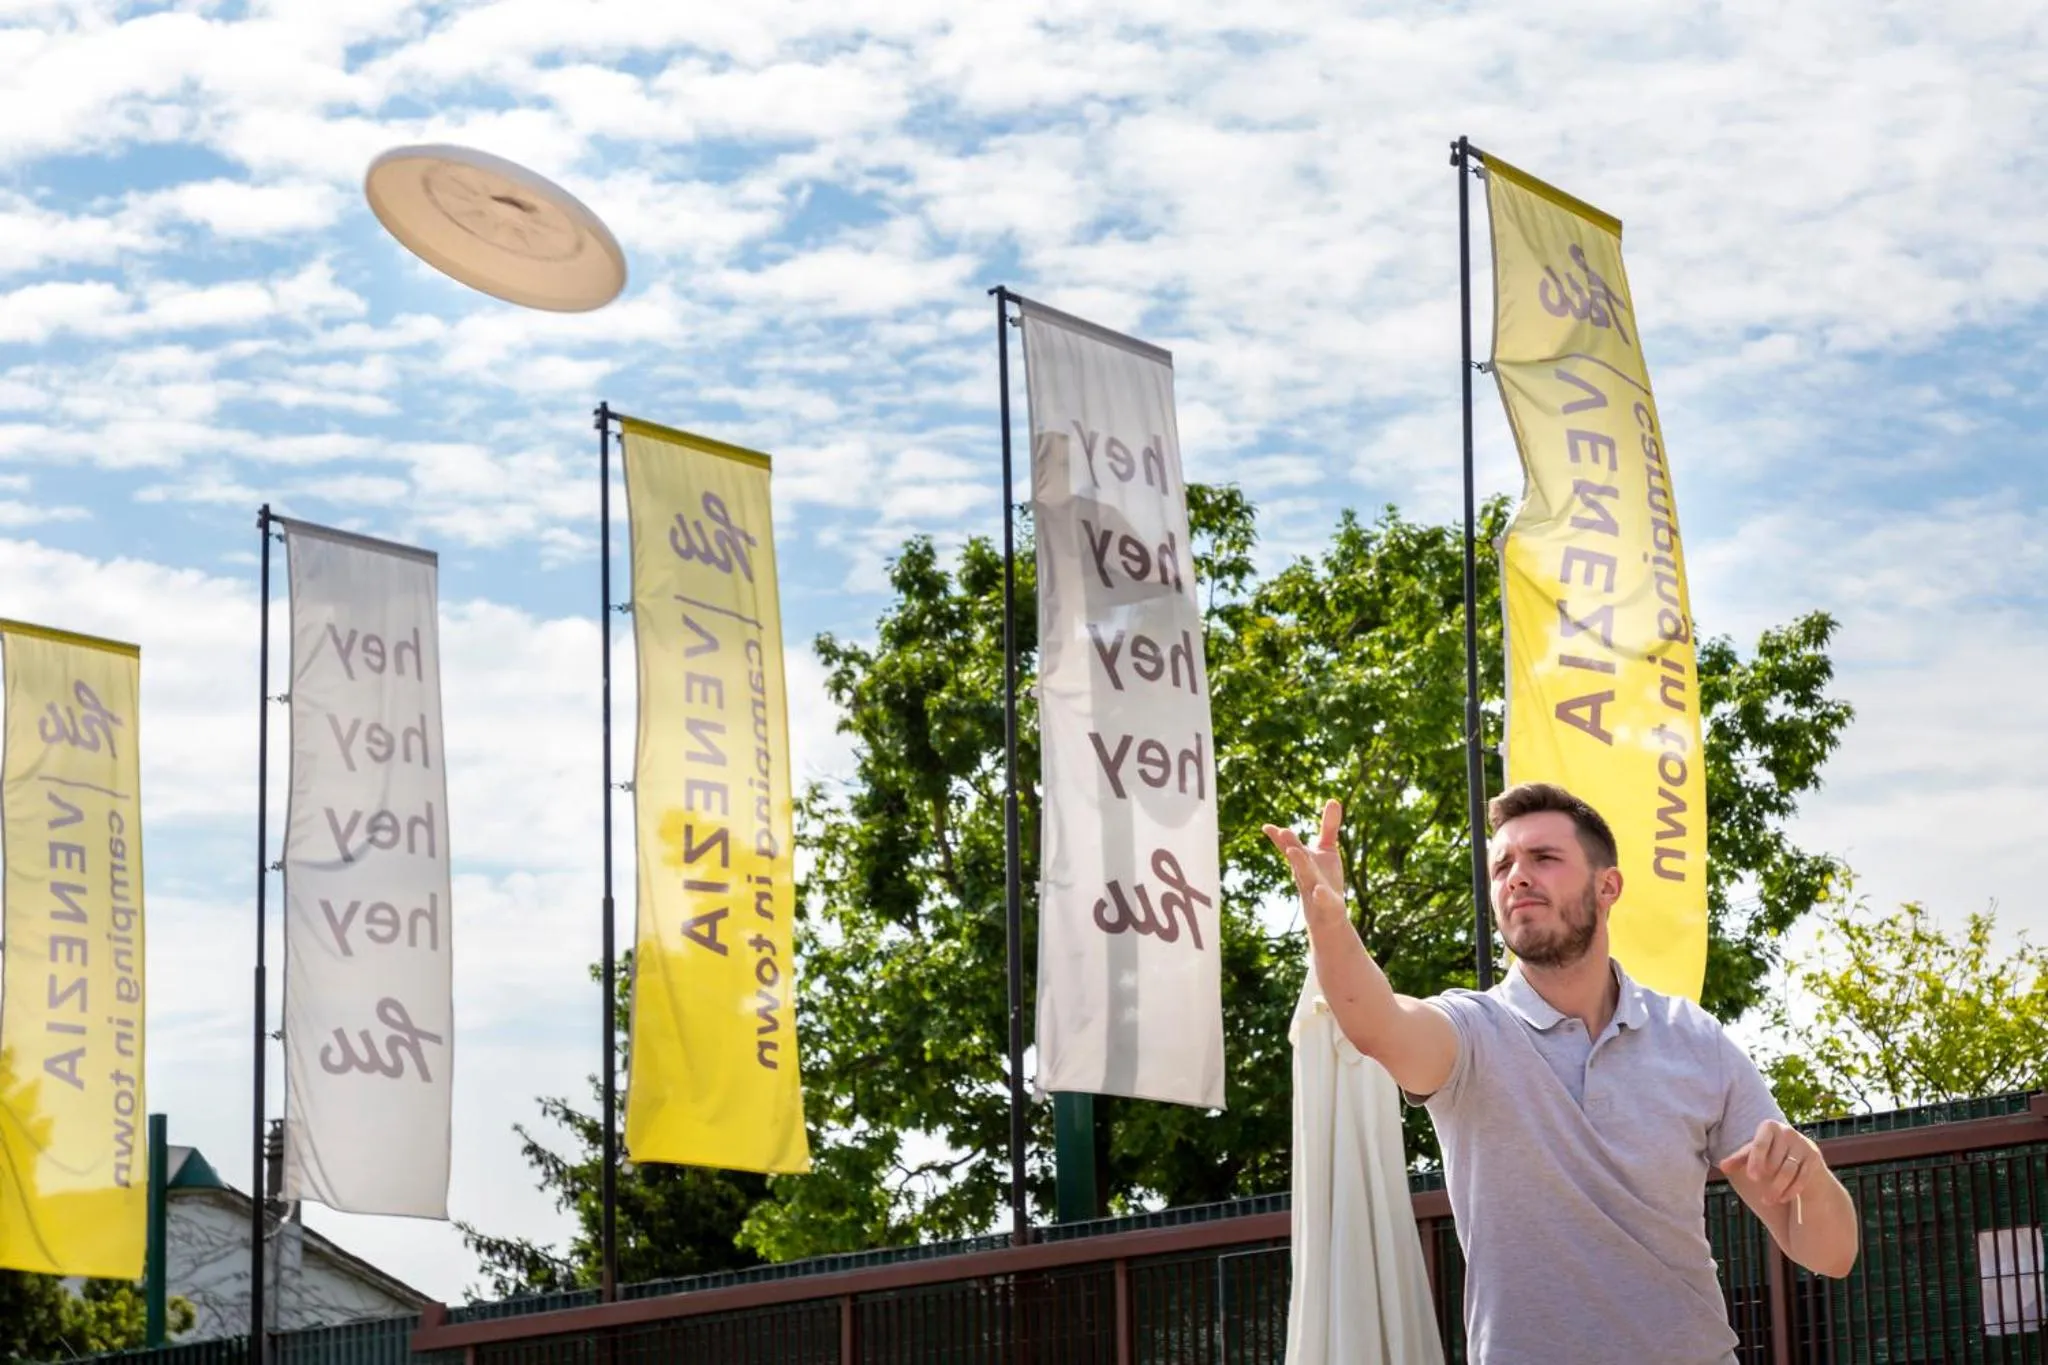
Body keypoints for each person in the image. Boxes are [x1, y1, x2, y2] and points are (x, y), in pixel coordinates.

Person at [1263, 781, 1859, 1365]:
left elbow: (1829, 1253)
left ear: (1609, 886)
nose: (1517, 876)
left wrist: (1810, 1176)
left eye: (1544, 858)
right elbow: (1375, 1021)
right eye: (1502, 867)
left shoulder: (1692, 1037)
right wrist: (1330, 923)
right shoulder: (1471, 1033)